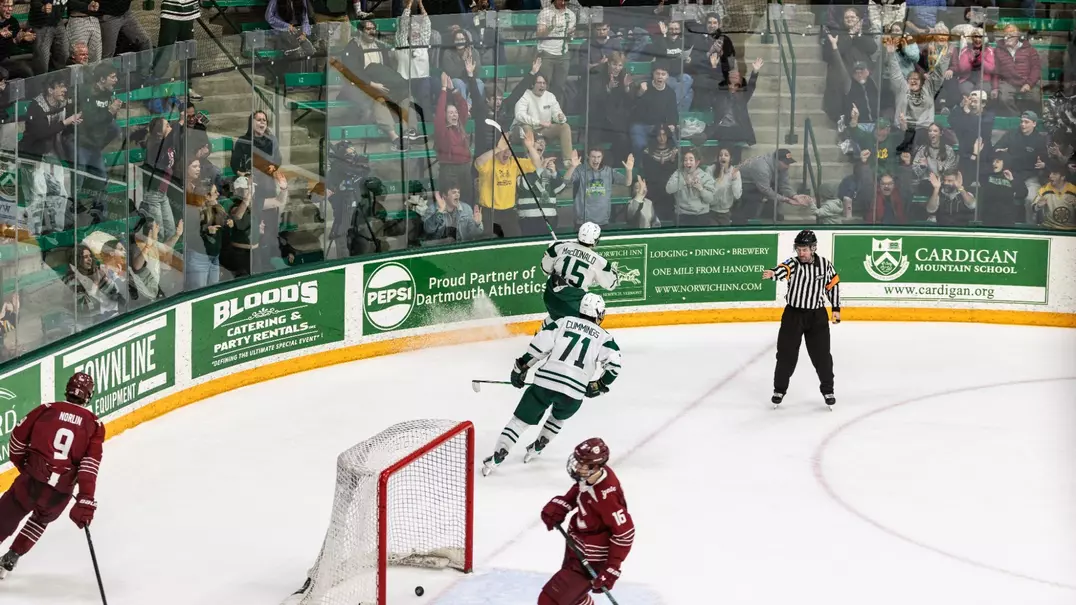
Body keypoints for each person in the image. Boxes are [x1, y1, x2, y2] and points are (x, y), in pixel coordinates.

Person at [482, 294, 621, 475]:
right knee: (557, 418)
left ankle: (497, 457)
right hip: (574, 392)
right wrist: (599, 385)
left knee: (520, 421)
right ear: (599, 314)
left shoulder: (563, 322)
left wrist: (520, 369)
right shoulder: (604, 338)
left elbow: (538, 348)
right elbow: (614, 367)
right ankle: (538, 446)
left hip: (545, 382)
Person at [0, 373, 104, 579]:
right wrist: (85, 499)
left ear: (67, 389)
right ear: (88, 396)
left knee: (6, 516)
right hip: (59, 493)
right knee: (40, 521)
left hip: (31, 480)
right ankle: (12, 556)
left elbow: (17, 440)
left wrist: (24, 465)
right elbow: (89, 466)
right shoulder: (94, 425)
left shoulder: (47, 410)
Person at [538, 437, 635, 603]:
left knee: (550, 600)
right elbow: (582, 488)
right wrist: (564, 504)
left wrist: (612, 567)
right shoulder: (594, 476)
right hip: (578, 545)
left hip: (591, 557)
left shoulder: (606, 496)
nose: (577, 467)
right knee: (572, 599)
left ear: (596, 466)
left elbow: (625, 533)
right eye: (578, 461)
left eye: (582, 464)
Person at [763, 229, 840, 409]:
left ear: (813, 248)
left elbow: (833, 286)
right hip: (793, 316)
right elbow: (784, 269)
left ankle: (828, 390)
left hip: (817, 317)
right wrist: (774, 273)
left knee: (822, 356)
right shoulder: (794, 263)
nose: (801, 253)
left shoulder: (825, 265)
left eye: (804, 249)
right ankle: (779, 389)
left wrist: (836, 309)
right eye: (798, 249)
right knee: (786, 355)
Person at [540, 222, 619, 328]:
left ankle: (544, 331)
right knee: (593, 309)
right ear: (596, 240)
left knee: (556, 316)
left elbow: (545, 269)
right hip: (572, 306)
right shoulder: (599, 262)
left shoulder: (559, 247)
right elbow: (611, 285)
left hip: (550, 297)